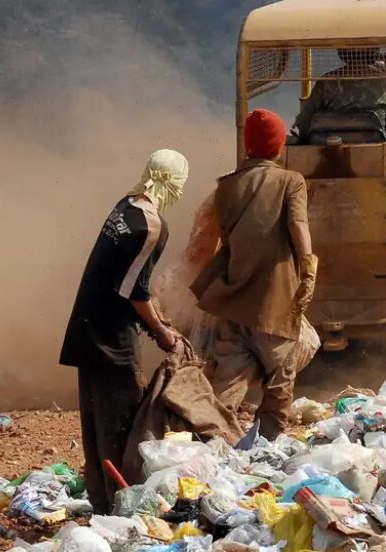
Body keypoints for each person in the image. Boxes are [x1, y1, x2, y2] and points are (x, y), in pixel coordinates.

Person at [59, 148, 188, 513]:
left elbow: (126, 281)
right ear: (171, 183)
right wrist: (162, 332)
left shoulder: (125, 207)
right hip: (112, 339)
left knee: (95, 424)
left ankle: (101, 502)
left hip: (86, 328)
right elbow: (135, 292)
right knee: (122, 424)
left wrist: (158, 321)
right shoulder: (151, 226)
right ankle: (124, 508)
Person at [192, 109, 320, 441]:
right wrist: (308, 269)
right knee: (280, 376)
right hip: (273, 301)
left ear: (248, 145)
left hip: (232, 299)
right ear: (277, 146)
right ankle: (269, 443)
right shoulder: (291, 181)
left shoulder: (226, 186)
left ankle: (213, 441)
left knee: (228, 379)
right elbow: (298, 226)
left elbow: (219, 237)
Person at [293, 47, 386, 142]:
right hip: (376, 146)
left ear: (342, 53)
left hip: (327, 147)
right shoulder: (385, 81)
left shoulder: (326, 81)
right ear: (373, 52)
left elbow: (304, 123)